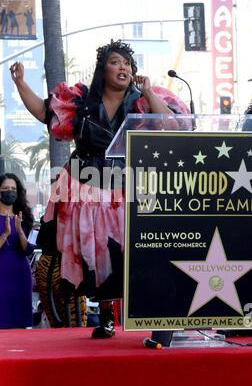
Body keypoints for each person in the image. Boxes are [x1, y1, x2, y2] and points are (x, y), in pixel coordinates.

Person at [10, 39, 190, 340]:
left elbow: (171, 127)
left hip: (126, 190)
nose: (123, 68)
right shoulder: (81, 100)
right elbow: (45, 112)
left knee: (131, 252)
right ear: (103, 68)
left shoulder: (143, 100)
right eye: (116, 62)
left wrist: (146, 91)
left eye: (127, 64)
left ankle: (151, 314)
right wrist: (20, 83)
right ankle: (105, 315)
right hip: (86, 189)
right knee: (97, 255)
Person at [0, 173, 34, 329]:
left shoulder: (24, 216)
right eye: (6, 188)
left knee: (21, 325)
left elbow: (28, 250)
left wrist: (19, 230)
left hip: (20, 275)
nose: (10, 192)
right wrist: (5, 234)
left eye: (13, 189)